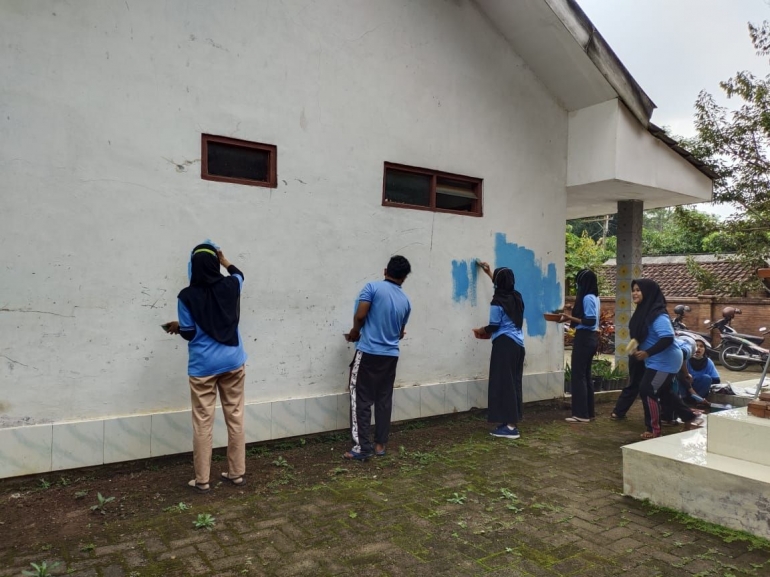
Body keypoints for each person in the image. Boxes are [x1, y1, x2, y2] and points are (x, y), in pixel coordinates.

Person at [164, 243, 248, 492]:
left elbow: (190, 333)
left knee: (203, 421)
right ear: (214, 263)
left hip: (203, 368)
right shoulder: (231, 285)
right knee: (235, 416)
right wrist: (226, 261)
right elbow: (239, 274)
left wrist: (177, 327)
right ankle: (237, 474)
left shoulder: (186, 296)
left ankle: (202, 480)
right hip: (233, 361)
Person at [343, 255, 412, 461]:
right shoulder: (406, 301)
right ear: (404, 278)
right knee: (383, 399)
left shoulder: (371, 288)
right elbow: (400, 333)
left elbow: (361, 315)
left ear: (385, 271)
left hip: (368, 353)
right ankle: (380, 445)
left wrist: (355, 332)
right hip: (390, 356)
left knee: (360, 399)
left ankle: (362, 448)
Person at [626, 279, 702, 439]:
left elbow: (667, 338)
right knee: (664, 391)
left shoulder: (657, 315)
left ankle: (654, 429)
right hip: (657, 360)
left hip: (666, 360)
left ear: (648, 293)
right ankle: (688, 416)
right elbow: (643, 335)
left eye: (639, 290)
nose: (634, 293)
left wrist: (647, 353)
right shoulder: (644, 312)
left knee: (647, 389)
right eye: (633, 290)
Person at [474, 262, 526, 439]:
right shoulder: (516, 297)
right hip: (518, 345)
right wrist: (489, 273)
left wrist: (481, 330)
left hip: (504, 345)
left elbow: (493, 326)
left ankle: (511, 427)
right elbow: (502, 287)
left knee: (505, 384)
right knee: (512, 382)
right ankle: (509, 421)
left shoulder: (497, 302)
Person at [561, 269, 600, 423]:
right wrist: (571, 314)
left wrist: (569, 317)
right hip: (590, 338)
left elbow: (589, 321)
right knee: (585, 375)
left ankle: (580, 414)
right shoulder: (595, 297)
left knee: (578, 375)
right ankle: (589, 412)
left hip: (585, 338)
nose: (577, 285)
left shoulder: (588, 298)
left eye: (578, 282)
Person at [684, 336, 720, 403]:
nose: (698, 348)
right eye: (696, 346)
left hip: (699, 390)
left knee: (707, 378)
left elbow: (716, 379)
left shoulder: (708, 361)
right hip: (685, 388)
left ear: (705, 350)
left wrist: (699, 380)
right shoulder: (686, 360)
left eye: (701, 346)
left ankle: (697, 401)